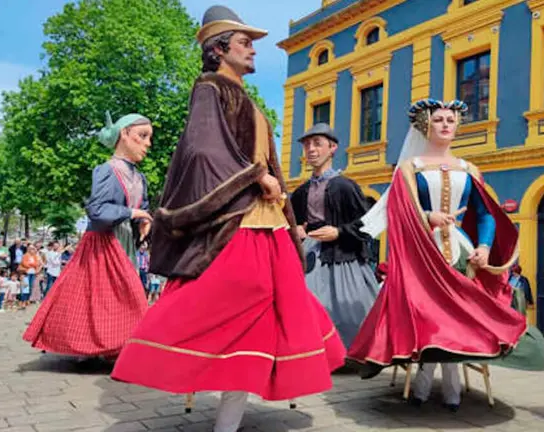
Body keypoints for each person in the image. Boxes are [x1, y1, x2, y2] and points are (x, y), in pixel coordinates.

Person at [111, 7, 345, 432]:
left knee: (270, 317)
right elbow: (203, 150)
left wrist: (271, 188)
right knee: (228, 310)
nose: (253, 50)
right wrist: (258, 177)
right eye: (244, 43)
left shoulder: (242, 95)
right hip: (241, 223)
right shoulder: (210, 88)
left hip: (268, 225)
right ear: (219, 49)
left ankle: (229, 419)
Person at [350, 99, 540, 411]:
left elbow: (486, 214)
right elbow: (400, 211)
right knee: (432, 320)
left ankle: (445, 391)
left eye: (450, 120)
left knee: (456, 321)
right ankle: (428, 388)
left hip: (461, 253)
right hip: (424, 251)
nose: (445, 125)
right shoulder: (409, 169)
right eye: (438, 119)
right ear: (425, 124)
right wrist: (429, 217)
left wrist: (484, 247)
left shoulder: (469, 169)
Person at [23, 110, 152, 357]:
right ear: (124, 134)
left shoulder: (140, 178)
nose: (148, 143)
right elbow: (97, 210)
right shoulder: (107, 170)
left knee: (123, 296)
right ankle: (97, 346)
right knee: (102, 297)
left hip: (126, 242)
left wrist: (143, 221)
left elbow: (141, 207)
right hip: (103, 243)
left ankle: (120, 346)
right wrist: (133, 213)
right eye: (143, 135)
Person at [290, 123, 379, 347]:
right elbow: (290, 224)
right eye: (307, 145)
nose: (311, 149)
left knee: (350, 311)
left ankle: (348, 354)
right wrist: (296, 230)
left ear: (332, 148)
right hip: (308, 257)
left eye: (317, 144)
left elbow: (367, 225)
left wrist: (339, 232)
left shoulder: (346, 187)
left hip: (343, 258)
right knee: (304, 307)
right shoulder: (300, 192)